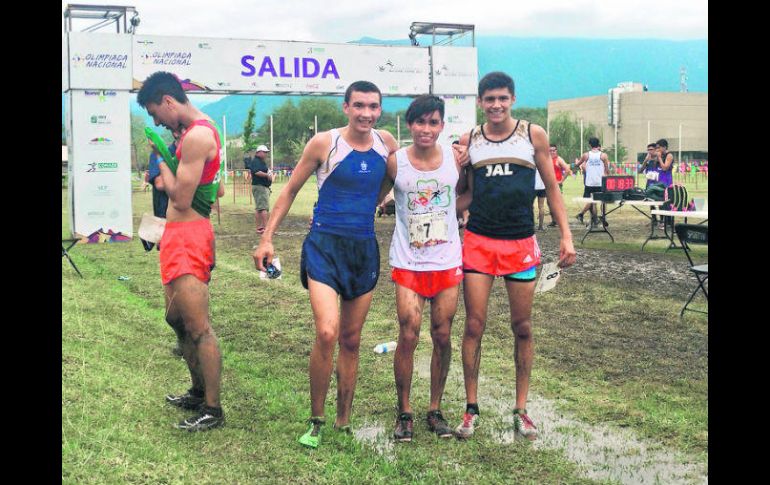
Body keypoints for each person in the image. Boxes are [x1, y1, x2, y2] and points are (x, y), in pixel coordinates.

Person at [253, 81, 400, 448]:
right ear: (346, 107)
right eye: (359, 105)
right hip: (324, 247)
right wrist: (267, 238)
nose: (366, 113)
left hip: (363, 250)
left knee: (351, 339)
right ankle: (316, 419)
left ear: (380, 110)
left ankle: (343, 420)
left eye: (373, 106)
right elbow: (289, 191)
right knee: (327, 332)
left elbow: (399, 180)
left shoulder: (387, 143)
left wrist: (377, 202)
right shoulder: (324, 143)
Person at [453, 72, 576, 440]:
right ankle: (471, 408)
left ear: (513, 100)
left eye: (503, 98)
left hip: (520, 244)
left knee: (522, 326)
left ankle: (521, 409)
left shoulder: (532, 134)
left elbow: (552, 188)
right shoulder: (470, 139)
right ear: (480, 102)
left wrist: (566, 236)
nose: (496, 105)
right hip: (478, 242)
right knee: (474, 325)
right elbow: (462, 193)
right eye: (490, 99)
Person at [137, 71, 225, 432]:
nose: (157, 121)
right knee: (175, 319)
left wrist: (160, 157)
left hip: (189, 236)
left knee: (199, 327)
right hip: (176, 235)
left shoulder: (199, 135)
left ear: (168, 101)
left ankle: (213, 409)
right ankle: (197, 390)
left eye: (155, 113)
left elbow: (181, 197)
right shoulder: (191, 133)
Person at [377, 95, 465, 442]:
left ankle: (435, 409)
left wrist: (447, 212)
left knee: (442, 335)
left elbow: (469, 194)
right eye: (419, 122)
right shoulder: (395, 162)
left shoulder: (456, 160)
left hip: (446, 261)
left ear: (442, 125)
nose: (426, 129)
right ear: (409, 124)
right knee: (409, 333)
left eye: (433, 122)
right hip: (408, 262)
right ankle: (404, 412)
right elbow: (374, 197)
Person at [574, 137, 610, 227]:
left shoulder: (586, 155)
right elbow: (607, 170)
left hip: (589, 183)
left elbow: (577, 165)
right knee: (600, 201)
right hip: (600, 182)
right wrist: (606, 176)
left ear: (590, 145)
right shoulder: (603, 155)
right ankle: (598, 219)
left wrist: (576, 163)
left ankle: (591, 218)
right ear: (598, 144)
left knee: (592, 202)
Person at [245, 145, 273, 234]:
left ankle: (260, 227)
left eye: (266, 152)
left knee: (259, 208)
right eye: (264, 152)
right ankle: (266, 228)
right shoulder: (256, 161)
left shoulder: (260, 161)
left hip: (261, 186)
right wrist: (267, 175)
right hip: (260, 186)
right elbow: (257, 172)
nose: (266, 154)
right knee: (264, 208)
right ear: (259, 152)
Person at [546, 144, 572, 227]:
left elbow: (567, 170)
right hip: (548, 184)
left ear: (556, 151)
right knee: (549, 203)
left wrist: (561, 180)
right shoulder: (547, 159)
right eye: (550, 151)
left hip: (557, 185)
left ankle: (561, 220)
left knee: (557, 203)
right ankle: (554, 220)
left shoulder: (559, 159)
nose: (552, 152)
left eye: (554, 150)